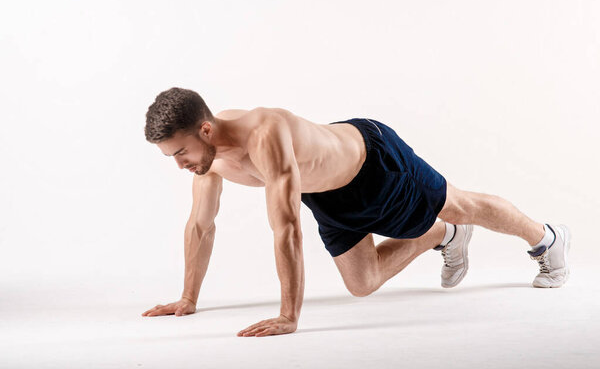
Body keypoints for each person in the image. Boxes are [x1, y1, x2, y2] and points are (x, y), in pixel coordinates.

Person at [141, 87, 571, 337]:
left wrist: (289, 316)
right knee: (362, 284)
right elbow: (201, 225)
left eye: (181, 152)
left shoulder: (264, 132)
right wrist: (188, 298)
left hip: (371, 163)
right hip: (326, 196)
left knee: (461, 204)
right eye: (171, 157)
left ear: (206, 129)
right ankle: (442, 236)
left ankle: (546, 238)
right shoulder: (207, 160)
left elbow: (286, 227)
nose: (180, 165)